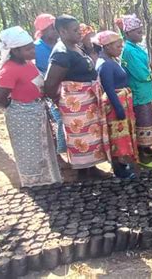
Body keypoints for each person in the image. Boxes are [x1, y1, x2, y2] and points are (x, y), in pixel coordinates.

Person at [0, 26, 62, 187]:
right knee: (29, 152)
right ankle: (34, 184)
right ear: (15, 51)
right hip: (23, 115)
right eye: (28, 49)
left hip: (36, 111)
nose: (33, 51)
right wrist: (19, 108)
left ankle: (48, 181)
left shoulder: (28, 63)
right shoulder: (9, 69)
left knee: (42, 148)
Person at [44, 14, 111, 180]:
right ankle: (82, 173)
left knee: (91, 137)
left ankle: (92, 167)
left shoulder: (75, 47)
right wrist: (61, 101)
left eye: (79, 29)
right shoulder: (61, 53)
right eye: (75, 30)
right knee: (79, 138)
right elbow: (50, 83)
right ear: (63, 31)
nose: (79, 32)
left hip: (87, 102)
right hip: (76, 104)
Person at [95, 31, 138, 179]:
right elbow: (108, 88)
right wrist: (119, 108)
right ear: (107, 46)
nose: (121, 48)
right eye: (117, 46)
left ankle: (121, 164)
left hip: (119, 102)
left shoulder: (109, 60)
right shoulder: (106, 64)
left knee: (120, 137)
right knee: (117, 138)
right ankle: (119, 170)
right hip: (114, 105)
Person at [121, 14, 152, 167]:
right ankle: (141, 152)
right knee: (141, 120)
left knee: (148, 118)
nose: (140, 34)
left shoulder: (135, 47)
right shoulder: (128, 50)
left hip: (145, 92)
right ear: (128, 33)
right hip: (138, 91)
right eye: (137, 32)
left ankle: (147, 146)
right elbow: (140, 72)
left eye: (141, 31)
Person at [33, 14, 67, 157]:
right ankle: (60, 153)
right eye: (52, 28)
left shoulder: (60, 43)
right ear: (44, 30)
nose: (55, 31)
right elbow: (47, 73)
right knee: (59, 119)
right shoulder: (37, 48)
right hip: (50, 89)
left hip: (65, 86)